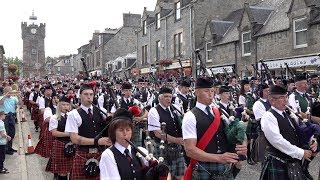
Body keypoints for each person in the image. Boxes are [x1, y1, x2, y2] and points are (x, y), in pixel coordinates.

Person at [182, 77, 247, 180]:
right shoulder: (190, 116)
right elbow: (190, 150)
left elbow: (237, 130)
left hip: (224, 166)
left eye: (212, 91)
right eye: (206, 91)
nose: (210, 94)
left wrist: (243, 144)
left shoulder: (220, 112)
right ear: (196, 92)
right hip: (204, 167)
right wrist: (219, 158)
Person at [260, 85, 317, 180]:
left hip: (292, 161)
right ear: (272, 100)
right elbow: (277, 141)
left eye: (286, 96)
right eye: (282, 97)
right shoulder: (268, 116)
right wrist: (300, 152)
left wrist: (312, 140)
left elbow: (297, 131)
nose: (286, 100)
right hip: (279, 161)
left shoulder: (287, 113)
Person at [65, 83, 112, 180]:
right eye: (86, 94)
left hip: (100, 153)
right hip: (83, 154)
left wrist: (111, 121)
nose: (89, 97)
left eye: (91, 94)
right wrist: (96, 141)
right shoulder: (73, 114)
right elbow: (74, 138)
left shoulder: (100, 111)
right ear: (80, 96)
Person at [100, 108, 149, 179]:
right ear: (113, 132)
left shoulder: (140, 151)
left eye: (128, 130)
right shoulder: (108, 155)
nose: (125, 133)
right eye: (121, 130)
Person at [148, 87, 185, 179]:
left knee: (180, 174)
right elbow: (157, 133)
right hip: (163, 149)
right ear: (159, 98)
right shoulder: (154, 111)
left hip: (177, 148)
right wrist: (176, 140)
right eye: (166, 96)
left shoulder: (175, 109)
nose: (169, 99)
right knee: (166, 176)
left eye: (170, 96)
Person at [47, 95, 73, 180]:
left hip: (73, 144)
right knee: (63, 171)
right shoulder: (54, 117)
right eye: (63, 105)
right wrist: (68, 134)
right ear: (59, 105)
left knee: (72, 169)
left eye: (67, 105)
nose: (66, 107)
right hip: (60, 144)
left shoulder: (72, 116)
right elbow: (54, 133)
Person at [0, 86, 22, 154]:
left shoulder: (14, 98)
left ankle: (9, 147)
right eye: (9, 92)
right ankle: (6, 149)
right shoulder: (1, 97)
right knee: (6, 132)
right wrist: (5, 96)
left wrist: (19, 96)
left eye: (11, 91)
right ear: (5, 92)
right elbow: (0, 103)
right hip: (5, 116)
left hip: (11, 116)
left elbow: (20, 104)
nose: (11, 93)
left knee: (12, 132)